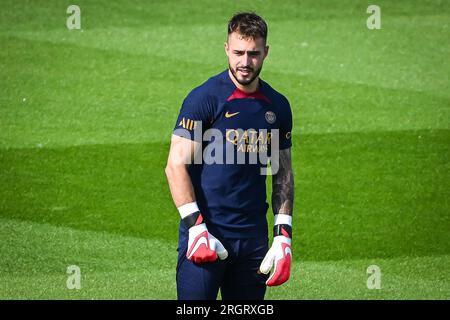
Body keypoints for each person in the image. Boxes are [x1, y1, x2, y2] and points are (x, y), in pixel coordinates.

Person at [165, 12, 294, 300]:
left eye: (253, 54)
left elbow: (282, 172)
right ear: (226, 48)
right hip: (206, 235)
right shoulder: (204, 99)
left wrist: (283, 233)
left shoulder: (278, 107)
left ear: (266, 53)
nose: (245, 63)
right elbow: (175, 166)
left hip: (253, 242)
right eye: (238, 52)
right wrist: (195, 227)